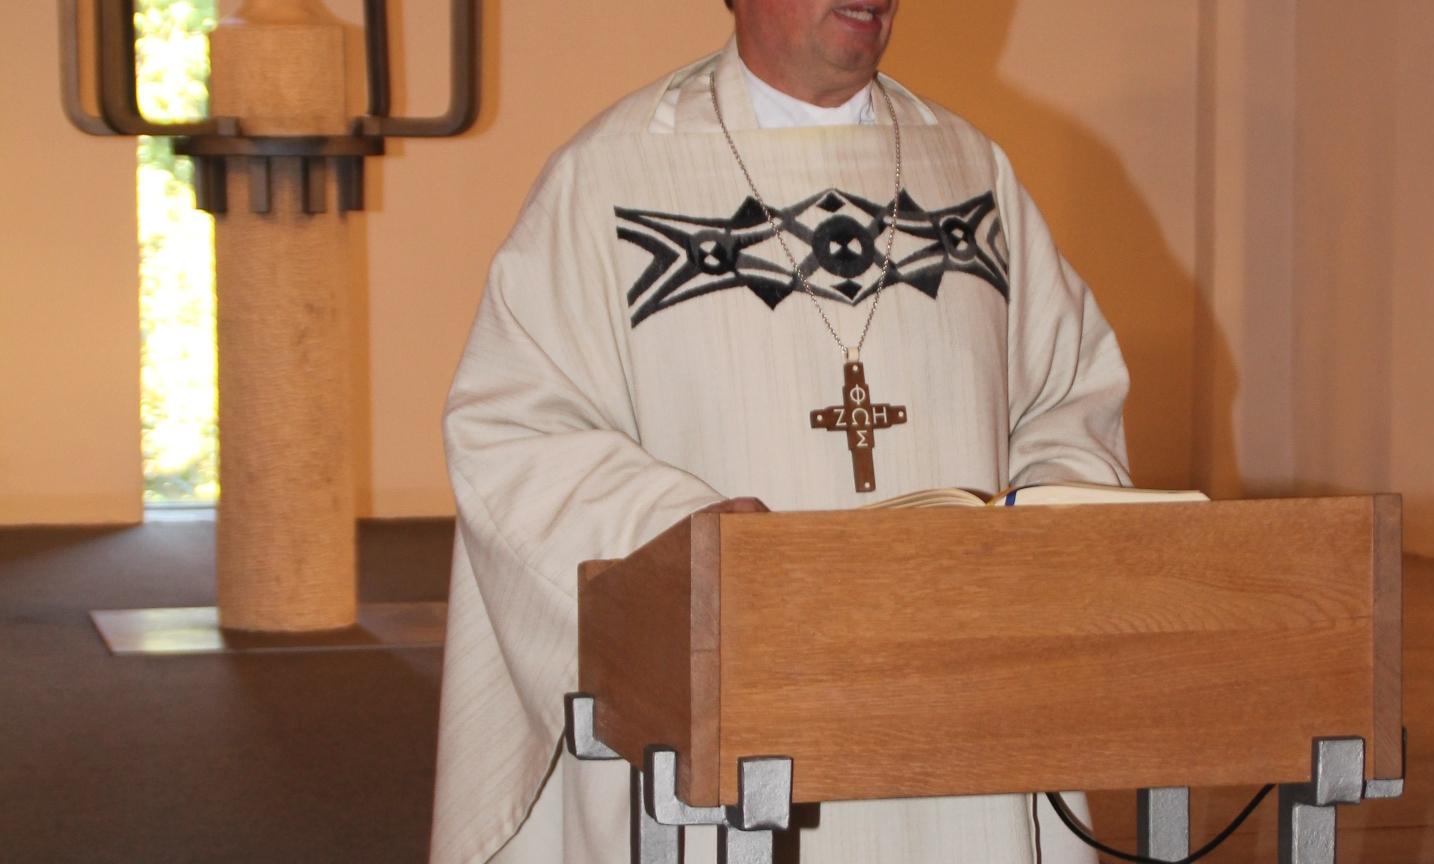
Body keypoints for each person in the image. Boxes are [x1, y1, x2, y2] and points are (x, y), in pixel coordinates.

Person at [430, 1, 1131, 861]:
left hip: (959, 700)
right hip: (726, 703)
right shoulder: (610, 174)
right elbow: (516, 430)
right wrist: (687, 545)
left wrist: (1048, 530)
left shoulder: (971, 171)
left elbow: (1065, 399)